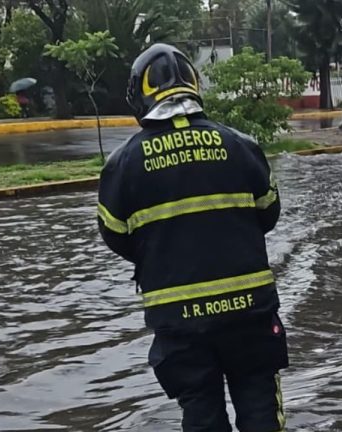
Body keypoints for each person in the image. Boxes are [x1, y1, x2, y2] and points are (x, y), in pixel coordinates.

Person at [97, 43, 288, 432]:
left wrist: (161, 249)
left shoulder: (123, 164)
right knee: (261, 408)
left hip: (178, 320)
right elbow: (268, 212)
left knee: (201, 414)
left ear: (138, 95)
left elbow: (115, 235)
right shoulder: (240, 145)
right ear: (195, 85)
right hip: (250, 313)